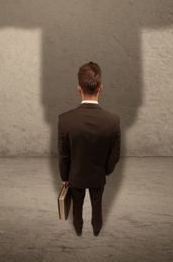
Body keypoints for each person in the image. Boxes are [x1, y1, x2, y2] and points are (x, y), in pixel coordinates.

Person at [57, 61, 121, 236]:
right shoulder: (113, 121)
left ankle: (78, 230)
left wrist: (65, 177)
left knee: (76, 207)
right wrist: (105, 171)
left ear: (79, 88)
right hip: (98, 175)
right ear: (100, 88)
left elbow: (63, 155)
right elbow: (115, 154)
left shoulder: (65, 120)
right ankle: (96, 230)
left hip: (75, 176)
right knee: (97, 205)